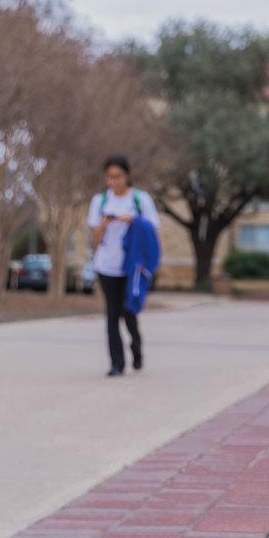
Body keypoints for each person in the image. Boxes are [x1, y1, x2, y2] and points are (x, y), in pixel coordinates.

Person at [87, 155, 160, 377]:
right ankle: (116, 364)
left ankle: (136, 348)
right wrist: (104, 224)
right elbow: (94, 239)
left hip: (132, 266)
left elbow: (152, 231)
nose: (114, 181)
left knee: (129, 311)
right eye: (110, 177)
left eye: (118, 176)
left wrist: (133, 220)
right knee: (111, 314)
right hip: (106, 265)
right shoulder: (99, 202)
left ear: (127, 176)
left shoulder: (140, 199)